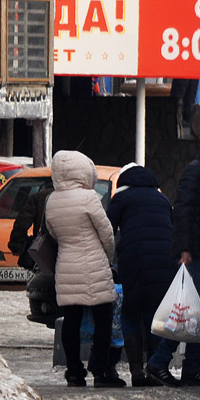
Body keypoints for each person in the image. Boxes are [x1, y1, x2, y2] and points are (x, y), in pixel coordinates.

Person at [145, 131, 200, 387]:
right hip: (194, 252)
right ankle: (159, 362)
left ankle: (192, 368)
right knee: (187, 312)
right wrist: (185, 249)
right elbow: (183, 210)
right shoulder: (197, 171)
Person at [44, 150, 124, 387]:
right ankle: (100, 370)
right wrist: (108, 258)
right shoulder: (89, 198)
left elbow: (52, 233)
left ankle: (74, 371)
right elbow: (107, 233)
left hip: (66, 265)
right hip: (95, 263)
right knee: (103, 318)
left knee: (71, 320)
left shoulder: (52, 200)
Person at [107, 163, 176, 387]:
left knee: (130, 312)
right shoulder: (163, 200)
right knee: (154, 314)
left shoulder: (122, 199)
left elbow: (108, 229)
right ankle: (155, 367)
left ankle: (136, 370)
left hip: (134, 261)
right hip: (164, 262)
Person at [8, 181, 53, 271]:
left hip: (44, 253)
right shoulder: (82, 200)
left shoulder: (39, 197)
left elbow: (21, 224)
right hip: (73, 255)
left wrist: (16, 246)